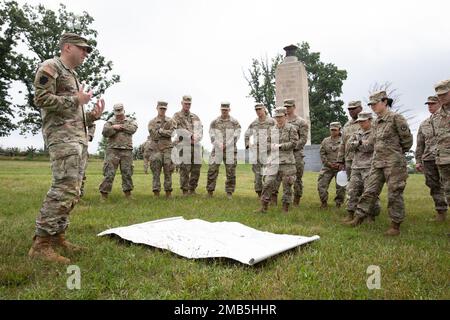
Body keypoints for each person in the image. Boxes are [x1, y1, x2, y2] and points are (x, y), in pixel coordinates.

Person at [29, 33, 104, 264]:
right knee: (63, 188)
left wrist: (91, 115)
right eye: (82, 49)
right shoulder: (51, 66)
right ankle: (41, 245)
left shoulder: (72, 75)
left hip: (77, 140)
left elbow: (73, 113)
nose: (85, 54)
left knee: (74, 190)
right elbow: (40, 99)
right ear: (67, 47)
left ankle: (58, 236)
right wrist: (76, 101)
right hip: (62, 140)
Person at [346, 90, 413, 236]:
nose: (373, 107)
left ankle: (395, 225)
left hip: (393, 163)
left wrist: (396, 154)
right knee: (369, 191)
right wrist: (358, 144)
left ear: (384, 102)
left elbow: (407, 140)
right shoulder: (376, 122)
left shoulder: (396, 118)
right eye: (371, 105)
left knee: (394, 193)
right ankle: (359, 217)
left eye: (375, 104)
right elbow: (370, 144)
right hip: (377, 163)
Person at [255, 106, 299, 213]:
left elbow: (294, 143)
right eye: (277, 117)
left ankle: (285, 209)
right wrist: (272, 146)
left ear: (285, 116)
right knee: (268, 183)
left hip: (287, 162)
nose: (278, 119)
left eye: (280, 117)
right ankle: (264, 207)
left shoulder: (291, 128)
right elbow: (267, 143)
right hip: (273, 161)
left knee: (287, 185)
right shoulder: (272, 129)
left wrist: (280, 146)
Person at [415, 96, 447, 222]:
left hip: (445, 157)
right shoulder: (424, 124)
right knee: (433, 185)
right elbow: (420, 144)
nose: (430, 106)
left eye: (432, 104)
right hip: (429, 159)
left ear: (440, 103)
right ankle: (441, 211)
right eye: (428, 104)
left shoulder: (446, 119)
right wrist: (418, 161)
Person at [344, 112, 380, 222]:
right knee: (352, 191)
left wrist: (358, 145)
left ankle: (370, 216)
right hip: (356, 166)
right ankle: (351, 214)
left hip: (369, 166)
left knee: (369, 192)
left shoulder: (375, 132)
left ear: (370, 120)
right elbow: (348, 146)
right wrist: (360, 142)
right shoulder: (357, 133)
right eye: (359, 121)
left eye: (363, 121)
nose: (361, 123)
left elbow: (370, 147)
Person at [272, 99, 309, 206]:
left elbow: (303, 139)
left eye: (289, 107)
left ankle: (296, 200)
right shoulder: (280, 121)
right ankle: (274, 200)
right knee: (276, 177)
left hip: (296, 154)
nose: (287, 109)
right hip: (281, 155)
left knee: (296, 178)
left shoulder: (301, 122)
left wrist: (290, 147)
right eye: (286, 107)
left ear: (294, 107)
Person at [99, 103, 138, 199]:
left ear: (123, 111)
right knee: (109, 173)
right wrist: (113, 128)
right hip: (113, 150)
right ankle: (104, 194)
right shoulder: (110, 122)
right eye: (117, 112)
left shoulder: (130, 120)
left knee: (127, 173)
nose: (119, 114)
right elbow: (105, 133)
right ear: (114, 112)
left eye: (120, 112)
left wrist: (120, 127)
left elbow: (133, 129)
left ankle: (128, 194)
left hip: (127, 150)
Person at [206, 102, 241, 199]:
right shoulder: (215, 122)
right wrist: (218, 143)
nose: (224, 111)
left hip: (230, 150)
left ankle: (229, 192)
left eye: (226, 110)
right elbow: (211, 134)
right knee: (212, 169)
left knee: (230, 171)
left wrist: (227, 144)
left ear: (229, 110)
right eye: (223, 110)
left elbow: (237, 134)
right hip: (217, 149)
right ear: (220, 109)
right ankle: (210, 191)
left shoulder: (234, 122)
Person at [173, 95, 203, 195]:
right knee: (185, 168)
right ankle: (185, 190)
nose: (187, 105)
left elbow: (200, 129)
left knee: (196, 168)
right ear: (182, 103)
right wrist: (190, 136)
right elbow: (177, 129)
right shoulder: (177, 116)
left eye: (189, 104)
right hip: (184, 145)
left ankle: (192, 189)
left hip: (196, 146)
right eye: (185, 103)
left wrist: (197, 137)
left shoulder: (195, 116)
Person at [244, 103, 275, 198]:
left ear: (264, 109)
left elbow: (280, 132)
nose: (258, 111)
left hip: (269, 151)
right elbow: (247, 134)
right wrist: (248, 144)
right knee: (257, 174)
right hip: (257, 152)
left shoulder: (272, 121)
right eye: (256, 110)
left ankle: (267, 194)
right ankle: (259, 194)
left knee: (268, 174)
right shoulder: (254, 123)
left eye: (259, 109)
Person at [147, 101, 175, 198]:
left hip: (167, 149)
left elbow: (172, 133)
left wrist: (160, 131)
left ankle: (168, 192)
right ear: (157, 108)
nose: (162, 110)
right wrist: (165, 133)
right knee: (156, 171)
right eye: (161, 108)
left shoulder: (171, 121)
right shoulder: (152, 122)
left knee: (168, 171)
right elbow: (153, 135)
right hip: (156, 149)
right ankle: (156, 193)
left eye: (164, 108)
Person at [432, 79, 450, 221]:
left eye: (444, 94)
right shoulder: (436, 116)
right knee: (448, 192)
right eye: (439, 95)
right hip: (443, 160)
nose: (441, 97)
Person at [317, 122, 346, 208]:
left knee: (341, 187)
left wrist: (341, 163)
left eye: (335, 130)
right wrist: (328, 163)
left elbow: (347, 153)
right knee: (321, 184)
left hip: (340, 167)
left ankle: (338, 203)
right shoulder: (325, 141)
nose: (333, 132)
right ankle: (324, 202)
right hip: (328, 167)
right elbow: (322, 153)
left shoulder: (344, 140)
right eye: (331, 130)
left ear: (339, 130)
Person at [337, 101, 363, 180]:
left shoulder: (369, 122)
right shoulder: (347, 125)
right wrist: (340, 161)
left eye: (354, 109)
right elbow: (342, 143)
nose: (351, 111)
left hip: (364, 160)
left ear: (360, 109)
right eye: (349, 109)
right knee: (351, 186)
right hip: (350, 160)